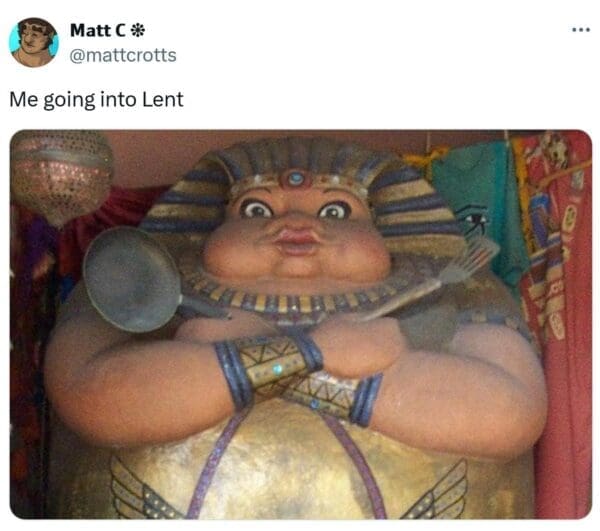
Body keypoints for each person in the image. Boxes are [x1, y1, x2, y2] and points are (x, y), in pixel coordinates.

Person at [44, 137, 546, 518]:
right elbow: (92, 396)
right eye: (257, 209)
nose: (299, 224)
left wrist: (263, 357)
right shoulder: (135, 289)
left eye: (335, 210)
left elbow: (509, 413)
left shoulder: (457, 291)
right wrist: (317, 354)